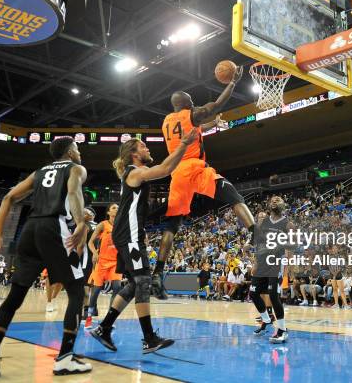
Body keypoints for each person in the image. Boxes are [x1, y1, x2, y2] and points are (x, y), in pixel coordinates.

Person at [0, 137, 92, 379]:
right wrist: (81, 221)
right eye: (78, 149)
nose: (80, 153)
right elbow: (73, 192)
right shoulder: (76, 168)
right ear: (70, 151)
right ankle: (65, 359)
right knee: (76, 290)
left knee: (15, 296)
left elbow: (8, 197)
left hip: (29, 230)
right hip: (53, 227)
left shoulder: (39, 172)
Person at [90, 128, 198, 354]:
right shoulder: (134, 172)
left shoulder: (133, 173)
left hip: (129, 234)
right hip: (128, 235)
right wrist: (184, 144)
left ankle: (104, 328)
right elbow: (166, 168)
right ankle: (149, 338)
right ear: (134, 154)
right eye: (143, 146)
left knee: (133, 284)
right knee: (143, 282)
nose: (148, 149)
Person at [152, 66, 256, 299]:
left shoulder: (167, 121)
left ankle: (157, 273)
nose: (193, 100)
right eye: (190, 99)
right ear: (185, 102)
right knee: (234, 197)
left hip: (177, 173)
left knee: (171, 226)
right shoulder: (191, 113)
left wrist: (213, 125)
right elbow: (216, 105)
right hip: (195, 169)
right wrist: (232, 83)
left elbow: (196, 128)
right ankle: (256, 235)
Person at [250, 196, 292, 343]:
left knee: (273, 295)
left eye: (278, 200)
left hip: (276, 262)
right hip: (262, 263)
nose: (274, 201)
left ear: (283, 205)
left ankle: (282, 330)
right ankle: (266, 320)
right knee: (253, 293)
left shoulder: (287, 223)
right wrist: (255, 261)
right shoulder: (264, 222)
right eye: (272, 200)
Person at [85, 204, 122, 329]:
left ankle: (109, 319)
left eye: (117, 207)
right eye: (113, 207)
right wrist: (95, 253)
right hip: (102, 261)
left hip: (115, 262)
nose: (116, 209)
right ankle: (89, 317)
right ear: (108, 212)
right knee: (96, 290)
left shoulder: (122, 225)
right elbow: (90, 242)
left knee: (117, 287)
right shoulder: (102, 224)